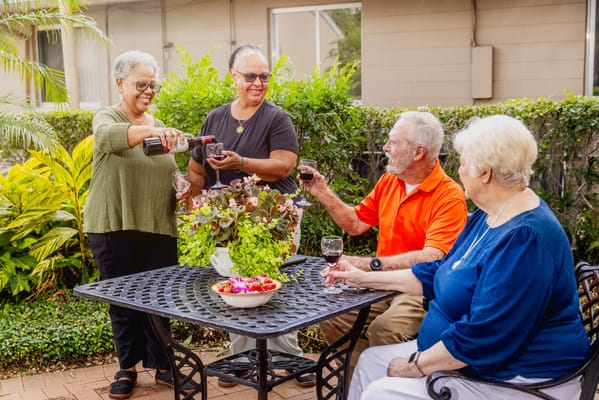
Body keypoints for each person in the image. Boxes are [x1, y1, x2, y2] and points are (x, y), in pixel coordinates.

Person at [327, 115, 591, 400]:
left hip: (519, 377)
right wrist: (365, 277)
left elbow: (485, 336)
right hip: (472, 359)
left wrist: (414, 366)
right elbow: (438, 271)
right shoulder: (487, 216)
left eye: (464, 162)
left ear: (485, 172)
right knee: (370, 362)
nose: (459, 170)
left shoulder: (526, 239)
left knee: (382, 392)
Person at [185, 44, 315, 388]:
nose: (258, 83)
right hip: (230, 222)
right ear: (233, 77)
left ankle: (288, 358)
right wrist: (195, 204)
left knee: (277, 288)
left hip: (276, 219)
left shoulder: (276, 118)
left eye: (264, 76)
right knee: (237, 289)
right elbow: (196, 168)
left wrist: (240, 162)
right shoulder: (215, 118)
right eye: (250, 77)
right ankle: (242, 359)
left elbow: (283, 165)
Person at [299, 111, 468, 373]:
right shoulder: (391, 180)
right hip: (379, 287)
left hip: (418, 289)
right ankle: (362, 381)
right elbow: (356, 224)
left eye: (393, 142)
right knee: (330, 315)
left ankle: (382, 385)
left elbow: (433, 256)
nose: (385, 147)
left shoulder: (449, 196)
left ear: (417, 152)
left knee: (384, 330)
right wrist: (321, 191)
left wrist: (370, 265)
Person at [84, 50, 193, 399]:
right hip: (113, 223)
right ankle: (127, 368)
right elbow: (108, 138)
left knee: (162, 298)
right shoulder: (107, 116)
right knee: (122, 299)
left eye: (153, 85)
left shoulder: (159, 128)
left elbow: (168, 174)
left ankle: (163, 366)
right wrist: (149, 130)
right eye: (140, 84)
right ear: (120, 83)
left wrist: (182, 187)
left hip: (157, 225)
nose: (148, 91)